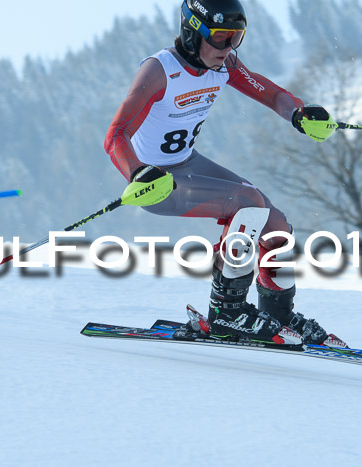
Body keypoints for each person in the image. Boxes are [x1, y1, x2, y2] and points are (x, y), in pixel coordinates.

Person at [105, 0, 347, 347]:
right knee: (248, 202)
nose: (228, 48)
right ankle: (227, 312)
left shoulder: (224, 63)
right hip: (159, 183)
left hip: (187, 164)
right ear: (192, 31)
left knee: (273, 220)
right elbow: (115, 135)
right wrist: (137, 173)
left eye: (237, 38)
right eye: (221, 37)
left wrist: (299, 114)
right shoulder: (160, 70)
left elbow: (271, 93)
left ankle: (277, 314)